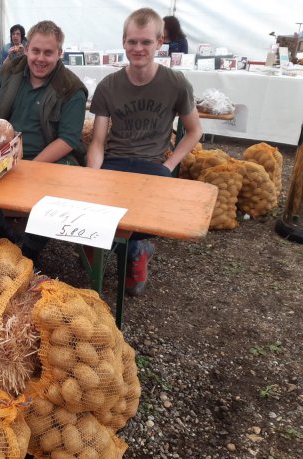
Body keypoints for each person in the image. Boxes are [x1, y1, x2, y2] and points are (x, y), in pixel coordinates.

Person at [87, 7, 202, 296]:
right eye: (132, 42)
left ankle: (136, 249)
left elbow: (194, 131)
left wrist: (169, 166)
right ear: (124, 42)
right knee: (93, 217)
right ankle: (116, 246)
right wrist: (92, 177)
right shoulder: (108, 86)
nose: (138, 49)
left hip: (152, 164)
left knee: (140, 219)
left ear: (160, 42)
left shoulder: (175, 83)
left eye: (146, 42)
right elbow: (98, 141)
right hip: (115, 161)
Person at [0, 20, 87, 258]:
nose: (40, 59)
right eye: (35, 51)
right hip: (5, 154)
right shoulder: (11, 70)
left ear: (59, 53)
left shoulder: (71, 88)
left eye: (48, 52)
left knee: (53, 198)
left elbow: (68, 140)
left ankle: (30, 252)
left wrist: (29, 166)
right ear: (26, 48)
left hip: (49, 159)